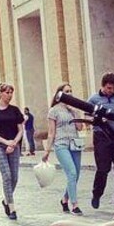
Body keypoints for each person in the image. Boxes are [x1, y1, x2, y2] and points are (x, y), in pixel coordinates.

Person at [88, 72, 114, 209]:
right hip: (101, 136)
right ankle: (97, 194)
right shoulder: (93, 99)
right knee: (103, 168)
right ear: (103, 86)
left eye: (112, 88)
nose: (110, 91)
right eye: (108, 88)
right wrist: (97, 119)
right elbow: (87, 119)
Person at [42, 83, 84, 215]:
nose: (69, 93)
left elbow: (80, 128)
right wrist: (47, 150)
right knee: (71, 172)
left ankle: (64, 199)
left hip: (75, 144)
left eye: (71, 91)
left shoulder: (73, 110)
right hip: (61, 145)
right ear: (59, 94)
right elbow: (51, 132)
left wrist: (75, 111)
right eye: (67, 91)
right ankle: (75, 204)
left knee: (76, 175)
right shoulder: (54, 110)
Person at [0, 83, 25, 220]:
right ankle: (12, 208)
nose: (10, 95)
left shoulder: (14, 110)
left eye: (11, 93)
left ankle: (6, 200)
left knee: (15, 177)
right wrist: (5, 142)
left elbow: (21, 129)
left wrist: (13, 142)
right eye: (7, 92)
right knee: (7, 175)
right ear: (0, 93)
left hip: (13, 145)